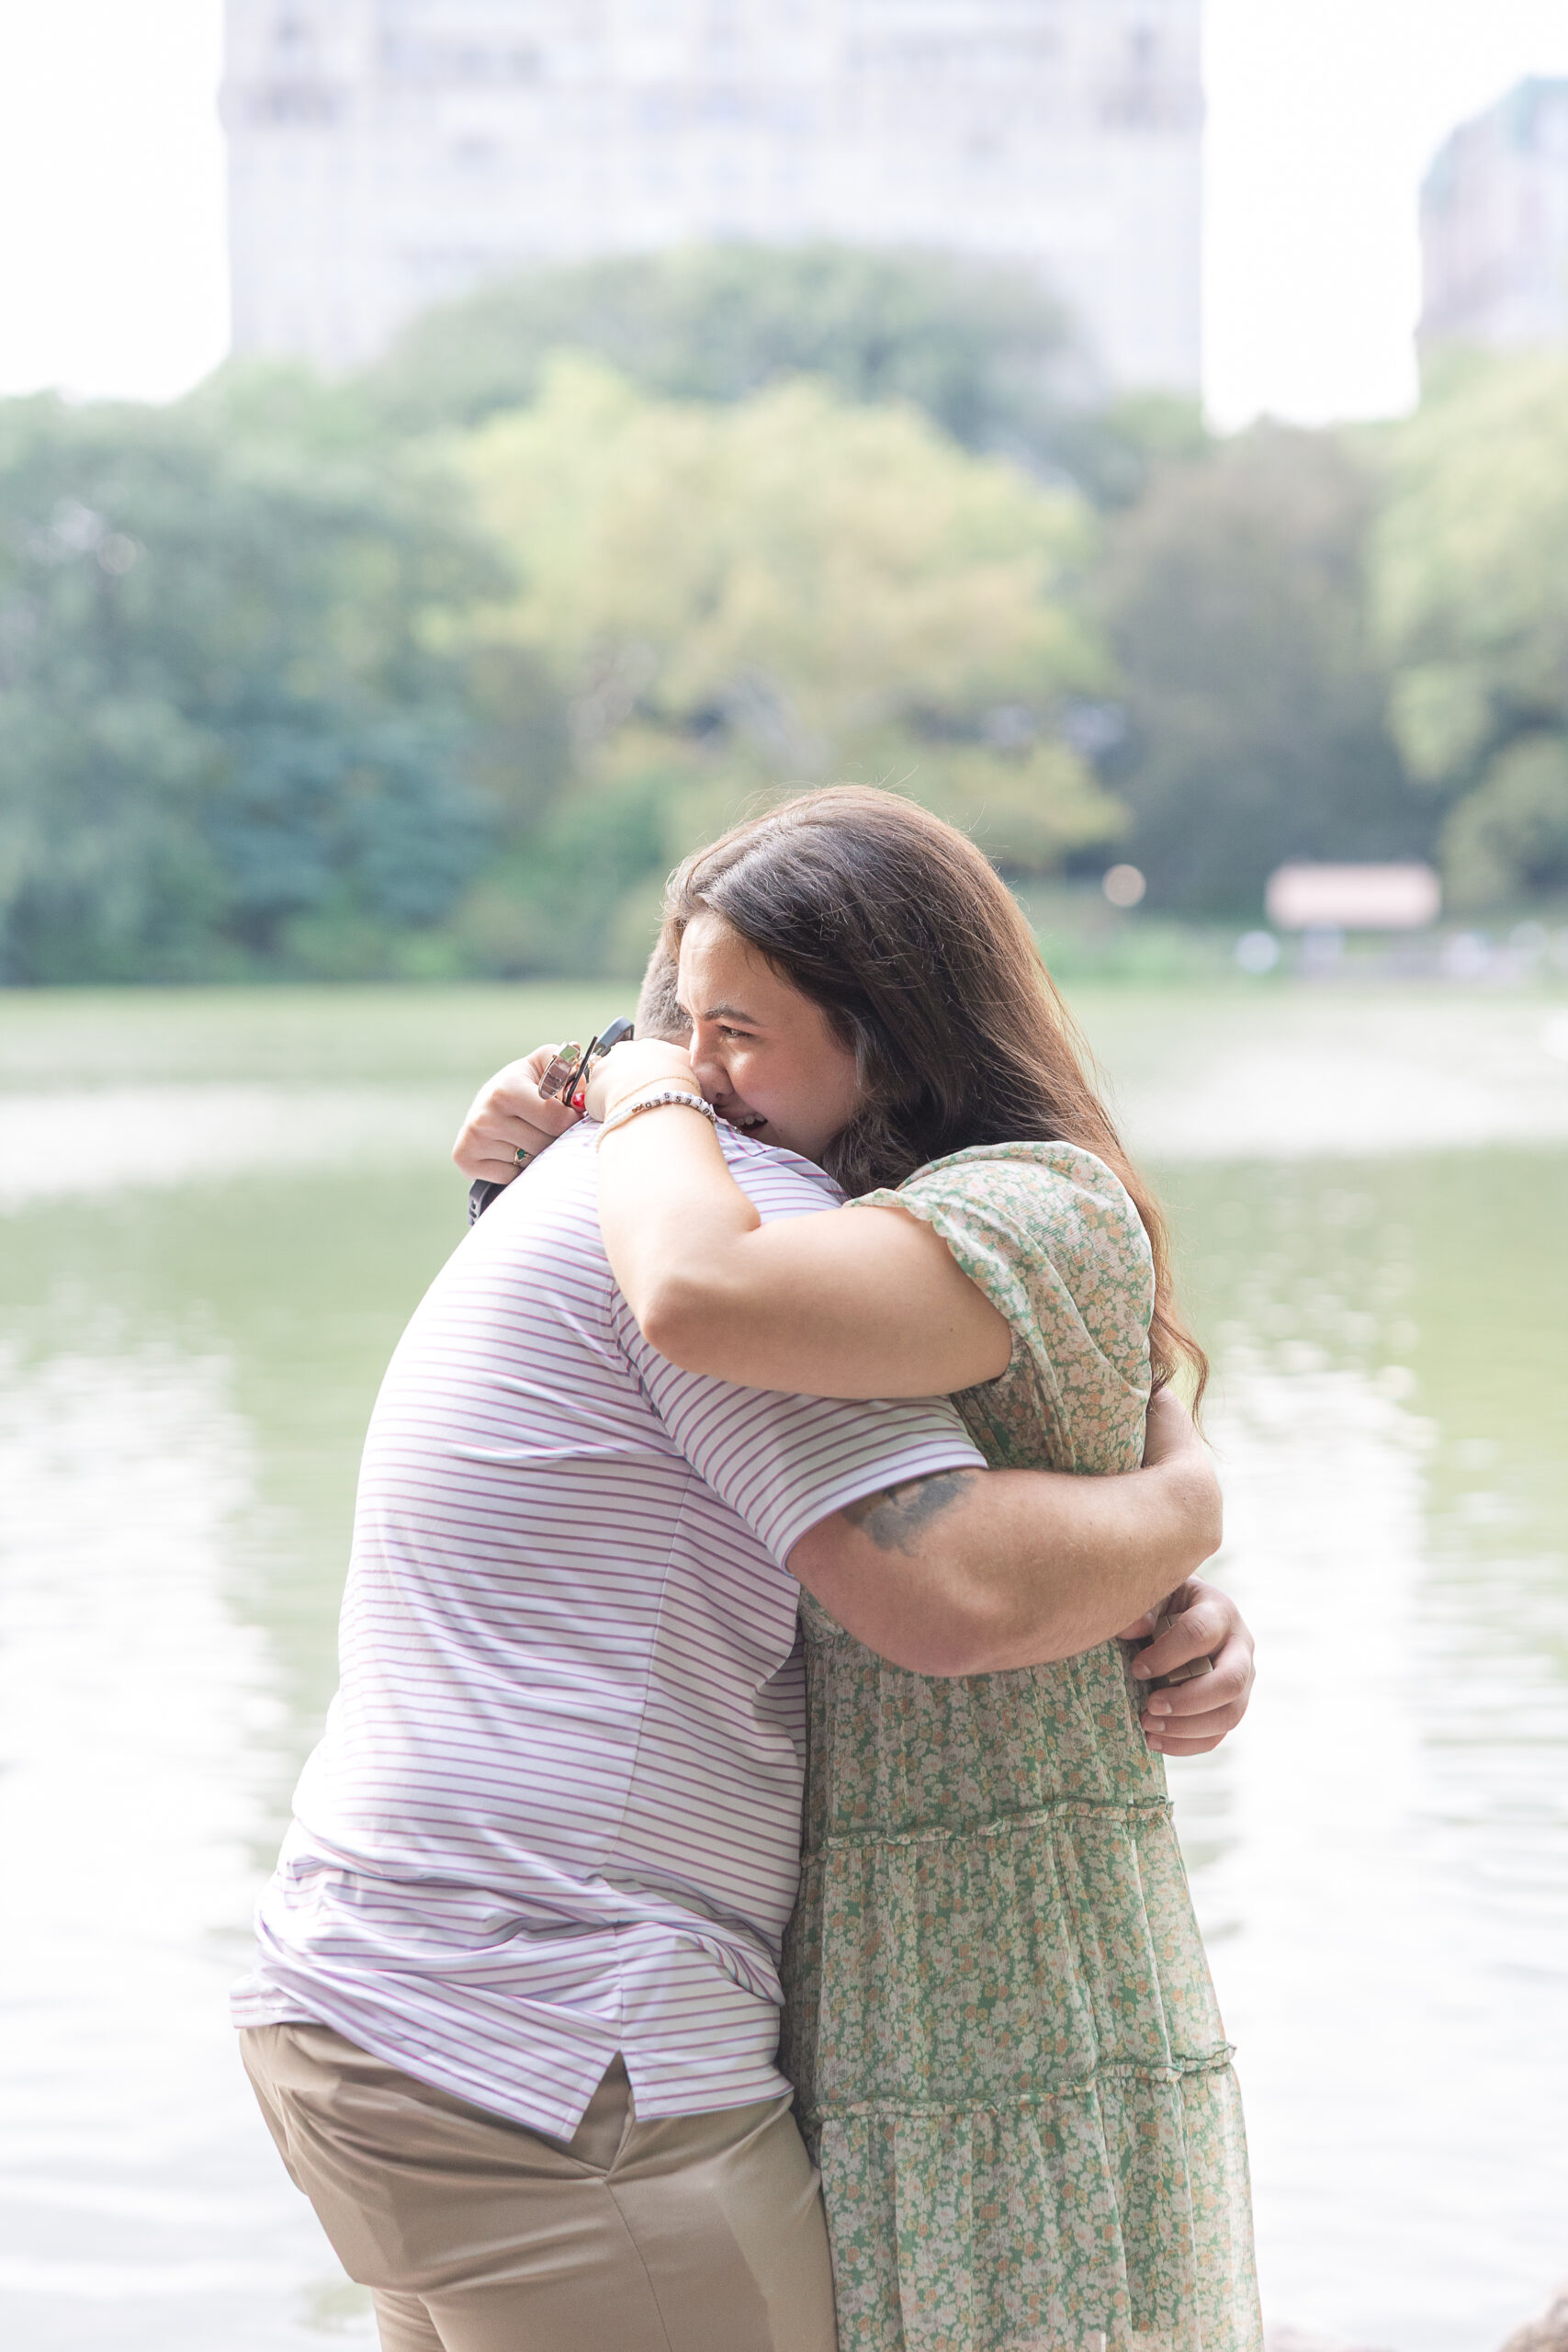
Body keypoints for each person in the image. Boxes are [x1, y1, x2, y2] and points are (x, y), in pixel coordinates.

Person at [233, 888, 1250, 2352]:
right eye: (679, 1024)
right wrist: (1191, 1502)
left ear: (888, 1044)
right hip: (559, 2038)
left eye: (737, 1033)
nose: (692, 1068)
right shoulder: (743, 1217)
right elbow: (947, 1592)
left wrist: (1161, 1608)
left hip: (369, 2005)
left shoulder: (594, 1188)